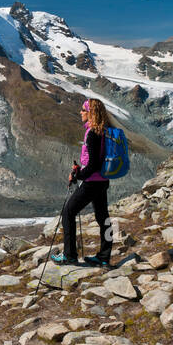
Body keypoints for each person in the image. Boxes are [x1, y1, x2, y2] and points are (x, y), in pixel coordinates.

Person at [52, 98, 115, 266]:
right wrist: (82, 169)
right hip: (102, 181)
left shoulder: (93, 133)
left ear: (91, 113)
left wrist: (78, 174)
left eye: (83, 110)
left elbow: (93, 164)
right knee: (103, 218)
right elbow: (97, 161)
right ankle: (104, 256)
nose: (80, 112)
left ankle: (70, 255)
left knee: (68, 212)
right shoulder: (104, 131)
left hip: (92, 182)